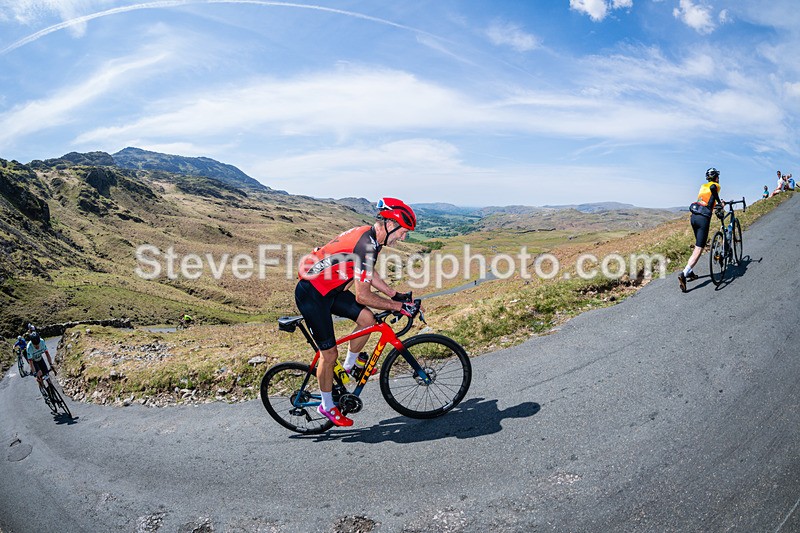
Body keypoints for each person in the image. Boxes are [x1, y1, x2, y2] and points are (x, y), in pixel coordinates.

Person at [295, 197, 419, 426]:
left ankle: (349, 368)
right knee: (329, 354)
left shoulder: (371, 237)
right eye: (403, 231)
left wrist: (394, 295)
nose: (404, 237)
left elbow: (367, 273)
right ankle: (327, 405)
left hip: (331, 289)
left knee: (368, 319)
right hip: (312, 294)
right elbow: (363, 295)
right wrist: (398, 307)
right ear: (390, 225)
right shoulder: (366, 245)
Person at [679, 168, 725, 293]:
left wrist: (718, 202)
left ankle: (690, 272)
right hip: (703, 218)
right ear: (716, 177)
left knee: (697, 246)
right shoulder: (716, 186)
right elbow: (713, 193)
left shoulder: (703, 186)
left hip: (694, 216)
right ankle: (684, 273)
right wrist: (720, 203)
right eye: (718, 177)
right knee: (699, 248)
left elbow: (706, 200)